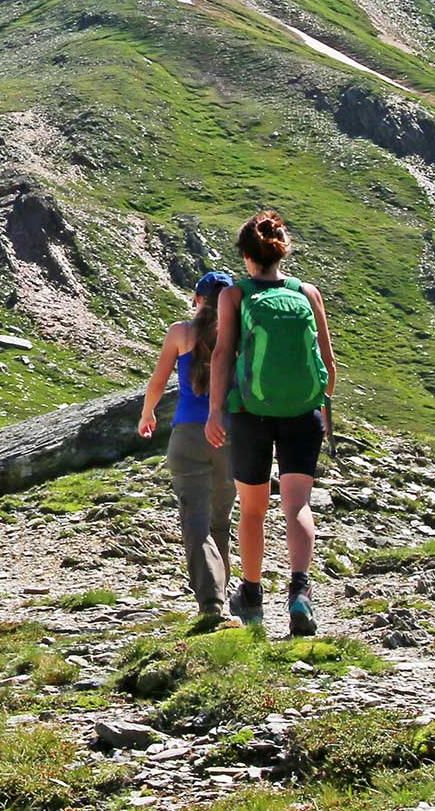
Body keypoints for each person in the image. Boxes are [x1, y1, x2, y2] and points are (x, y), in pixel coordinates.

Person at [206, 210, 337, 636]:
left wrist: (214, 411)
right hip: (303, 412)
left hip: (251, 414)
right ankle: (300, 592)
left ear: (246, 255)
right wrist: (316, 403)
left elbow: (223, 354)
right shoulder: (309, 292)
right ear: (283, 250)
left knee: (253, 509)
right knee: (296, 505)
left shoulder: (235, 296)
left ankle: (253, 594)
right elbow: (328, 364)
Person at [138, 271, 238, 630]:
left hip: (187, 437)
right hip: (230, 437)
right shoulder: (239, 335)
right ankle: (221, 596)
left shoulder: (179, 333)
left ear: (197, 299)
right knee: (220, 522)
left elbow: (158, 380)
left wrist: (147, 413)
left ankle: (212, 601)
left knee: (195, 523)